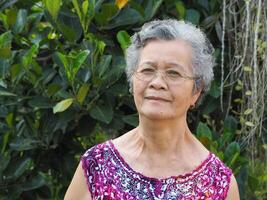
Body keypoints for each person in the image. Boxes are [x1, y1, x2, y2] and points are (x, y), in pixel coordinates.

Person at [64, 19, 240, 200]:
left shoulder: (218, 184)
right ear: (132, 80)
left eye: (173, 73)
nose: (157, 83)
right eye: (147, 70)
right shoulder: (96, 165)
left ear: (196, 90)